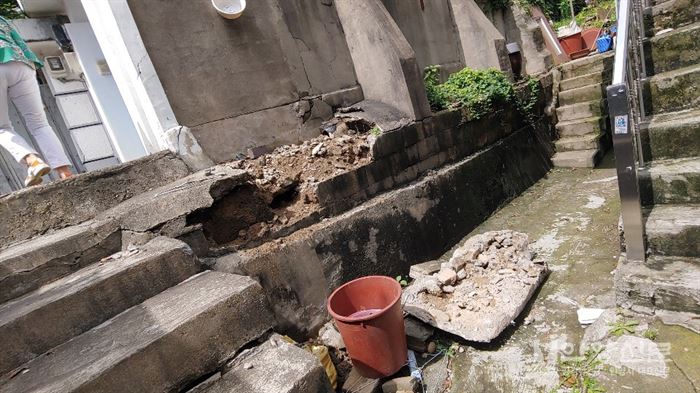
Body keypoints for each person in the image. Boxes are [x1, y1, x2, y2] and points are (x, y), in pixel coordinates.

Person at [0, 16, 72, 187]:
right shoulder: (2, 17)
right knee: (39, 124)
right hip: (21, 63)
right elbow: (19, 41)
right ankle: (64, 172)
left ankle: (33, 161)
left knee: (2, 127)